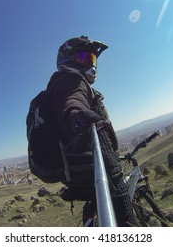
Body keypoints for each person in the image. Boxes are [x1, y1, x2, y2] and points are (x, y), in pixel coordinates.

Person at [46, 35, 134, 226]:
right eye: (85, 58)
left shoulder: (58, 84)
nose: (91, 64)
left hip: (77, 167)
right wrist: (77, 115)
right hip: (92, 166)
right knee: (124, 212)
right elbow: (73, 102)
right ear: (67, 59)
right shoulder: (72, 82)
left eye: (92, 59)